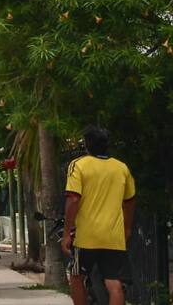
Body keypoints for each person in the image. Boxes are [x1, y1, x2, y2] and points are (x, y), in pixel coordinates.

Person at [62, 126, 136, 305]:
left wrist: (66, 233)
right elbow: (130, 200)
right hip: (113, 237)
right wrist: (126, 228)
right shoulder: (121, 168)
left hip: (86, 237)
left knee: (77, 276)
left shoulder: (78, 165)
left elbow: (73, 199)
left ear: (87, 145)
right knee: (115, 284)